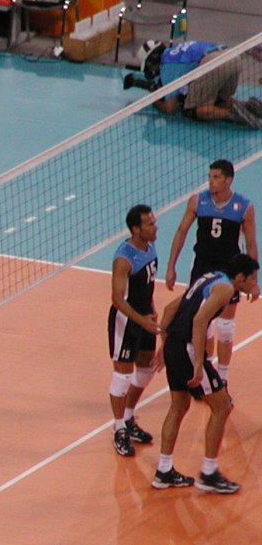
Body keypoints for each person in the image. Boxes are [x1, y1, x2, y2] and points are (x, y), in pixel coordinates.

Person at [151, 254, 259, 493]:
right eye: (252, 279)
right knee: (222, 407)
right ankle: (209, 473)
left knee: (178, 407)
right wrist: (199, 362)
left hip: (175, 347)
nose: (254, 283)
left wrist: (165, 346)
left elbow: (170, 309)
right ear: (239, 277)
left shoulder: (209, 278)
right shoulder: (225, 289)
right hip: (189, 350)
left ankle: (163, 470)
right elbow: (199, 321)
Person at [165, 159, 258, 382]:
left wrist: (253, 279)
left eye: (216, 177)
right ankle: (204, 370)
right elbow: (181, 231)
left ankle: (223, 378)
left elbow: (251, 244)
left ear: (228, 180)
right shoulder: (198, 201)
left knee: (225, 327)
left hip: (230, 271)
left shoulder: (243, 207)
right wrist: (171, 266)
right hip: (202, 268)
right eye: (210, 177)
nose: (211, 182)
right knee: (202, 323)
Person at [108, 205, 160, 457]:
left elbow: (146, 289)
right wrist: (142, 320)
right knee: (122, 377)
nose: (155, 226)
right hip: (126, 321)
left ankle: (128, 418)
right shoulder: (124, 259)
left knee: (147, 368)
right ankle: (118, 429)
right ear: (136, 230)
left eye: (154, 221)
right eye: (150, 224)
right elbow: (118, 299)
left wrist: (151, 310)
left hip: (145, 318)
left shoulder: (150, 248)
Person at [127, 40, 262, 129]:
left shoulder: (167, 67)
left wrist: (153, 96)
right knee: (220, 100)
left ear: (151, 61)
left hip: (214, 64)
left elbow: (170, 109)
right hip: (232, 57)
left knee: (193, 110)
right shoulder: (177, 50)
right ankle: (248, 106)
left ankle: (233, 115)